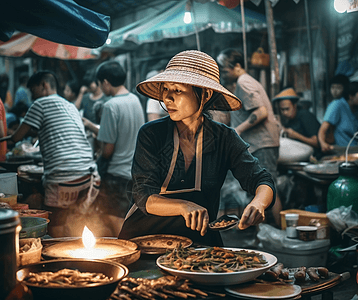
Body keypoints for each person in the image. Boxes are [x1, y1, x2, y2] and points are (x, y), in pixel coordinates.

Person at [118, 50, 276, 246]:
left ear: (205, 94)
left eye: (177, 90)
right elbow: (143, 196)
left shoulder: (224, 138)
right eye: (165, 89)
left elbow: (262, 179)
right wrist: (184, 206)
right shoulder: (152, 134)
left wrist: (258, 203)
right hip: (146, 239)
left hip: (199, 244)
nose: (167, 98)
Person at [7, 71, 99, 237]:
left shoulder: (40, 104)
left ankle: (60, 259)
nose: (32, 96)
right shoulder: (71, 106)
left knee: (56, 224)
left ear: (44, 85)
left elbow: (16, 137)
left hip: (63, 179)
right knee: (77, 225)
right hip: (90, 176)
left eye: (33, 90)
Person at [216, 48, 282, 226]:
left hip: (263, 143)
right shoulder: (245, 82)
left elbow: (260, 112)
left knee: (268, 188)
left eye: (224, 69)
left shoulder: (244, 82)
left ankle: (277, 234)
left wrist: (236, 131)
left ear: (237, 66)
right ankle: (266, 233)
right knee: (263, 188)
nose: (223, 73)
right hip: (261, 143)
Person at [94, 61, 145, 237]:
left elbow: (108, 150)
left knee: (114, 221)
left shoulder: (111, 106)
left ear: (106, 82)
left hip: (116, 175)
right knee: (127, 219)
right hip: (133, 172)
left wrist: (99, 149)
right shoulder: (135, 99)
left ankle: (126, 257)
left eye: (101, 84)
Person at [318, 81, 358, 152]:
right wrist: (323, 143)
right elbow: (323, 128)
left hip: (356, 149)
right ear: (351, 96)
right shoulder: (337, 105)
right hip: (341, 151)